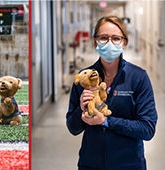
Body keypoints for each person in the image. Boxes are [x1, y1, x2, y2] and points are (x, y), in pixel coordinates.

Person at [66, 16, 158, 170]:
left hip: (129, 164)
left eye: (116, 38)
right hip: (90, 164)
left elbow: (147, 129)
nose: (109, 42)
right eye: (103, 37)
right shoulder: (84, 78)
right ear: (95, 42)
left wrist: (106, 121)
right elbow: (73, 128)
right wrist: (80, 109)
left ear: (124, 43)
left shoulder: (138, 77)